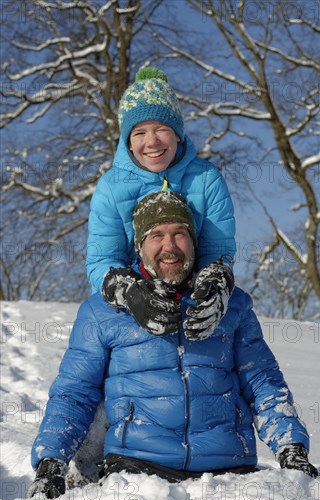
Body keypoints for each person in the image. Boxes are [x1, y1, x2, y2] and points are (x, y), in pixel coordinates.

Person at [30, 191, 318, 500]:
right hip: (136, 472)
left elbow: (262, 382)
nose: (170, 247)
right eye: (156, 235)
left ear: (194, 243)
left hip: (229, 474)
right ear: (139, 246)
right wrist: (51, 462)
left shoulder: (232, 306)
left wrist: (291, 447)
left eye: (180, 234)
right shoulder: (102, 312)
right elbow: (75, 392)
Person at [86, 66, 236, 341]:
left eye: (162, 129)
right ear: (128, 142)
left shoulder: (206, 179)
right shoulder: (112, 186)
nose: (151, 142)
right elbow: (101, 259)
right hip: (138, 301)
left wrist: (215, 286)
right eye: (139, 133)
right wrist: (129, 292)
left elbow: (218, 249)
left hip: (190, 293)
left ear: (178, 133)